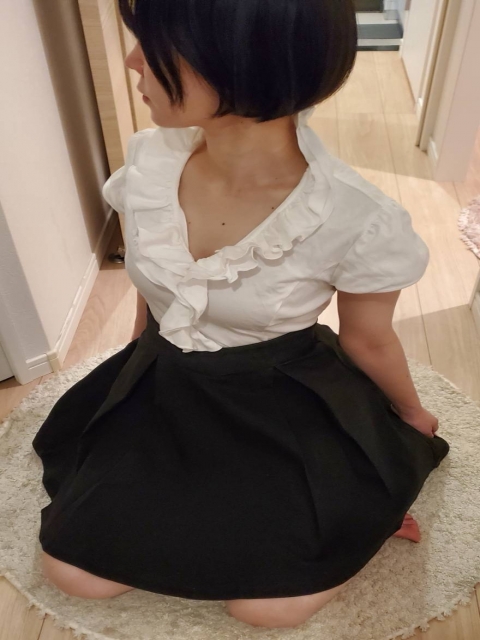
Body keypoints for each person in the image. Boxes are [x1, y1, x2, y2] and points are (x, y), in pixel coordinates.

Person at [32, 0, 450, 630]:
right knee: (75, 573)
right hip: (168, 388)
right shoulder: (150, 165)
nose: (134, 61)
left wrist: (409, 418)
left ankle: (368, 512)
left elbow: (370, 341)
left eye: (156, 45)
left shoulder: (353, 216)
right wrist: (126, 382)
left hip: (278, 406)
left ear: (244, 59)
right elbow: (157, 294)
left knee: (267, 609)